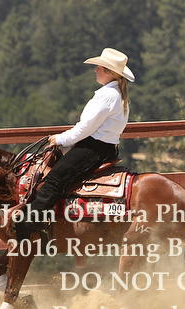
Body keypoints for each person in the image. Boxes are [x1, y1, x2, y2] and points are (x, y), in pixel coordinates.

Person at [16, 48, 135, 242]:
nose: (96, 70)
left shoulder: (106, 95)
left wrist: (60, 139)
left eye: (99, 67)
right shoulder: (118, 94)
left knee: (55, 179)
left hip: (92, 149)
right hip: (105, 148)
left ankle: (25, 228)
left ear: (109, 72)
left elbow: (85, 128)